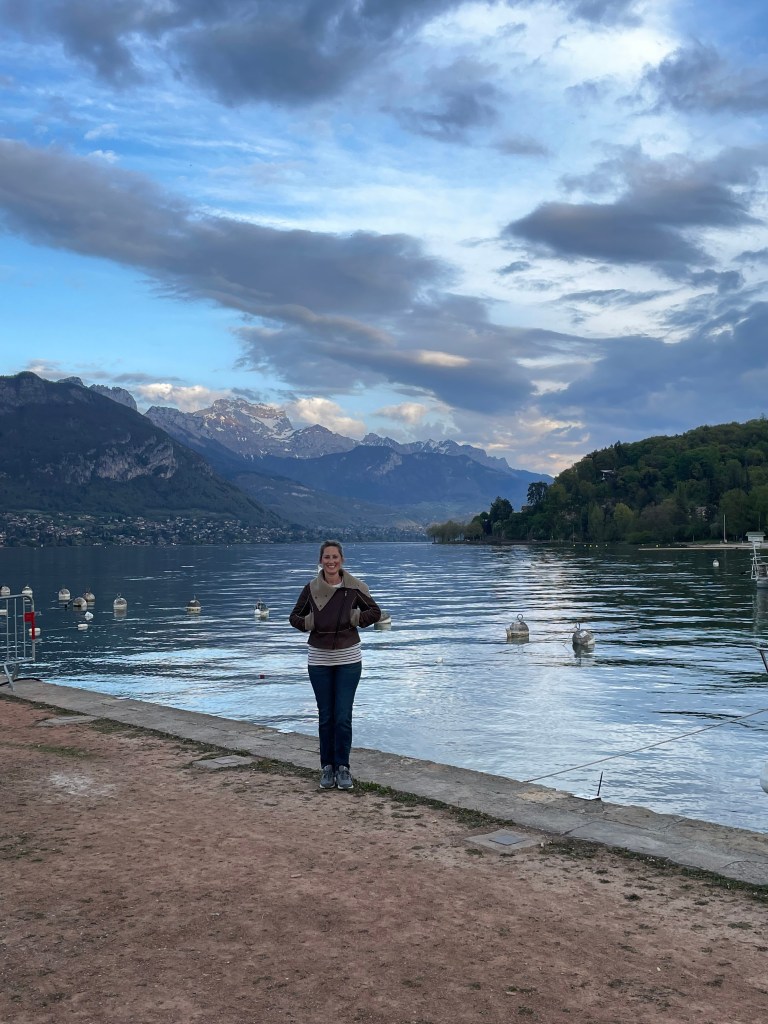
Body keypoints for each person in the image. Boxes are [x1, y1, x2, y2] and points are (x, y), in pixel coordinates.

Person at [289, 540, 381, 791]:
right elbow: (294, 617)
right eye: (326, 557)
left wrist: (355, 618)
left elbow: (375, 612)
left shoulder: (354, 587)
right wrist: (310, 622)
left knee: (342, 716)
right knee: (326, 716)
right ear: (320, 561)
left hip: (349, 659)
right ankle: (327, 768)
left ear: (342, 560)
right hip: (318, 660)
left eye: (335, 557)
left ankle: (344, 768)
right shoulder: (311, 589)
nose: (331, 561)